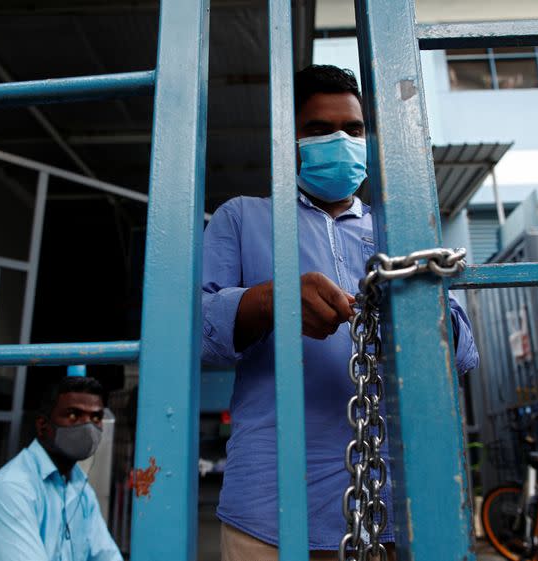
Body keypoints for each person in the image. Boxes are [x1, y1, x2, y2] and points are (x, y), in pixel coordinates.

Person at [202, 65, 479, 561]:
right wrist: (272, 300)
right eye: (318, 129)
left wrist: (414, 319)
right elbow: (192, 334)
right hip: (270, 502)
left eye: (352, 130)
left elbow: (460, 355)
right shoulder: (243, 218)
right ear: (290, 140)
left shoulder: (401, 231)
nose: (341, 140)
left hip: (391, 497)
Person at [0, 376, 123, 561]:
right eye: (74, 415)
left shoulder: (80, 488)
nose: (88, 426)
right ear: (43, 426)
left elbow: (106, 555)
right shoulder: (11, 490)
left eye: (96, 417)